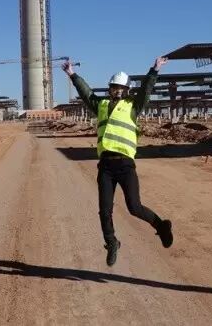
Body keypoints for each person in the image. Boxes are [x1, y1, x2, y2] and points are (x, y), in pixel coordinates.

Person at [62, 57, 173, 266]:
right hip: (105, 166)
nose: (118, 91)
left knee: (134, 207)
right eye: (115, 87)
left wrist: (154, 70)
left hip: (125, 165)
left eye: (122, 88)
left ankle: (161, 226)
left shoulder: (133, 106)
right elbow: (87, 94)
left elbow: (146, 91)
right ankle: (112, 242)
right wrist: (72, 75)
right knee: (105, 210)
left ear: (127, 90)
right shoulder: (101, 105)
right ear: (110, 88)